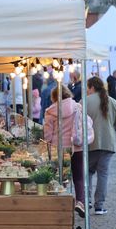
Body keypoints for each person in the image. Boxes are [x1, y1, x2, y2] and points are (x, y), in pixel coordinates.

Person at [43, 85, 94, 217]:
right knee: (78, 176)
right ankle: (80, 202)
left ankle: (60, 203)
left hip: (58, 148)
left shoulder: (50, 111)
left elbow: (48, 134)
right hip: (76, 146)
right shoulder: (77, 107)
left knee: (59, 176)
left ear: (54, 97)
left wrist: (46, 144)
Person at [86, 76, 116, 215]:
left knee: (88, 173)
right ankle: (99, 205)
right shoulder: (112, 101)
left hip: (89, 143)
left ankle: (87, 201)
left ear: (91, 87)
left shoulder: (84, 101)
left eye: (87, 87)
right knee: (103, 175)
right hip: (108, 143)